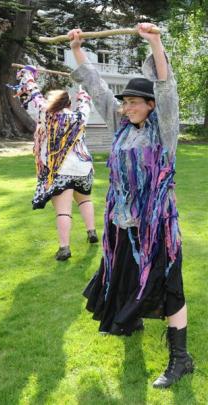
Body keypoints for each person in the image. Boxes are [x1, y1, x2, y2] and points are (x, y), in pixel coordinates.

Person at [68, 23, 194, 388]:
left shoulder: (164, 128)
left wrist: (155, 42)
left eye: (134, 102)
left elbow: (167, 89)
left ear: (150, 106)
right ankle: (129, 319)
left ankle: (180, 359)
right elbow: (97, 88)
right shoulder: (122, 126)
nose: (126, 108)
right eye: (124, 103)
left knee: (170, 287)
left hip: (157, 227)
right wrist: (77, 49)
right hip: (123, 224)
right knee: (123, 275)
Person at [12, 65, 98, 261]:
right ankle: (91, 232)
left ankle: (64, 248)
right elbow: (85, 100)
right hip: (84, 168)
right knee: (85, 199)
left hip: (60, 170)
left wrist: (28, 74)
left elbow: (34, 95)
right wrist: (82, 84)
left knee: (63, 210)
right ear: (68, 103)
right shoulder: (79, 116)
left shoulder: (46, 114)